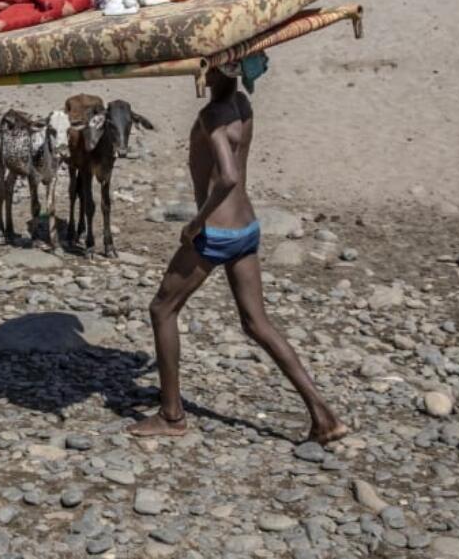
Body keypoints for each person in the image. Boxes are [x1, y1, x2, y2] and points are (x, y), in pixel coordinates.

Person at [128, 54, 347, 443]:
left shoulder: (211, 115)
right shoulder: (243, 106)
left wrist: (197, 222)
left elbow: (227, 176)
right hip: (247, 228)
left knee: (162, 309)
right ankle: (322, 414)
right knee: (256, 323)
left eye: (203, 65)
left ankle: (172, 416)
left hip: (217, 233)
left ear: (213, 70)